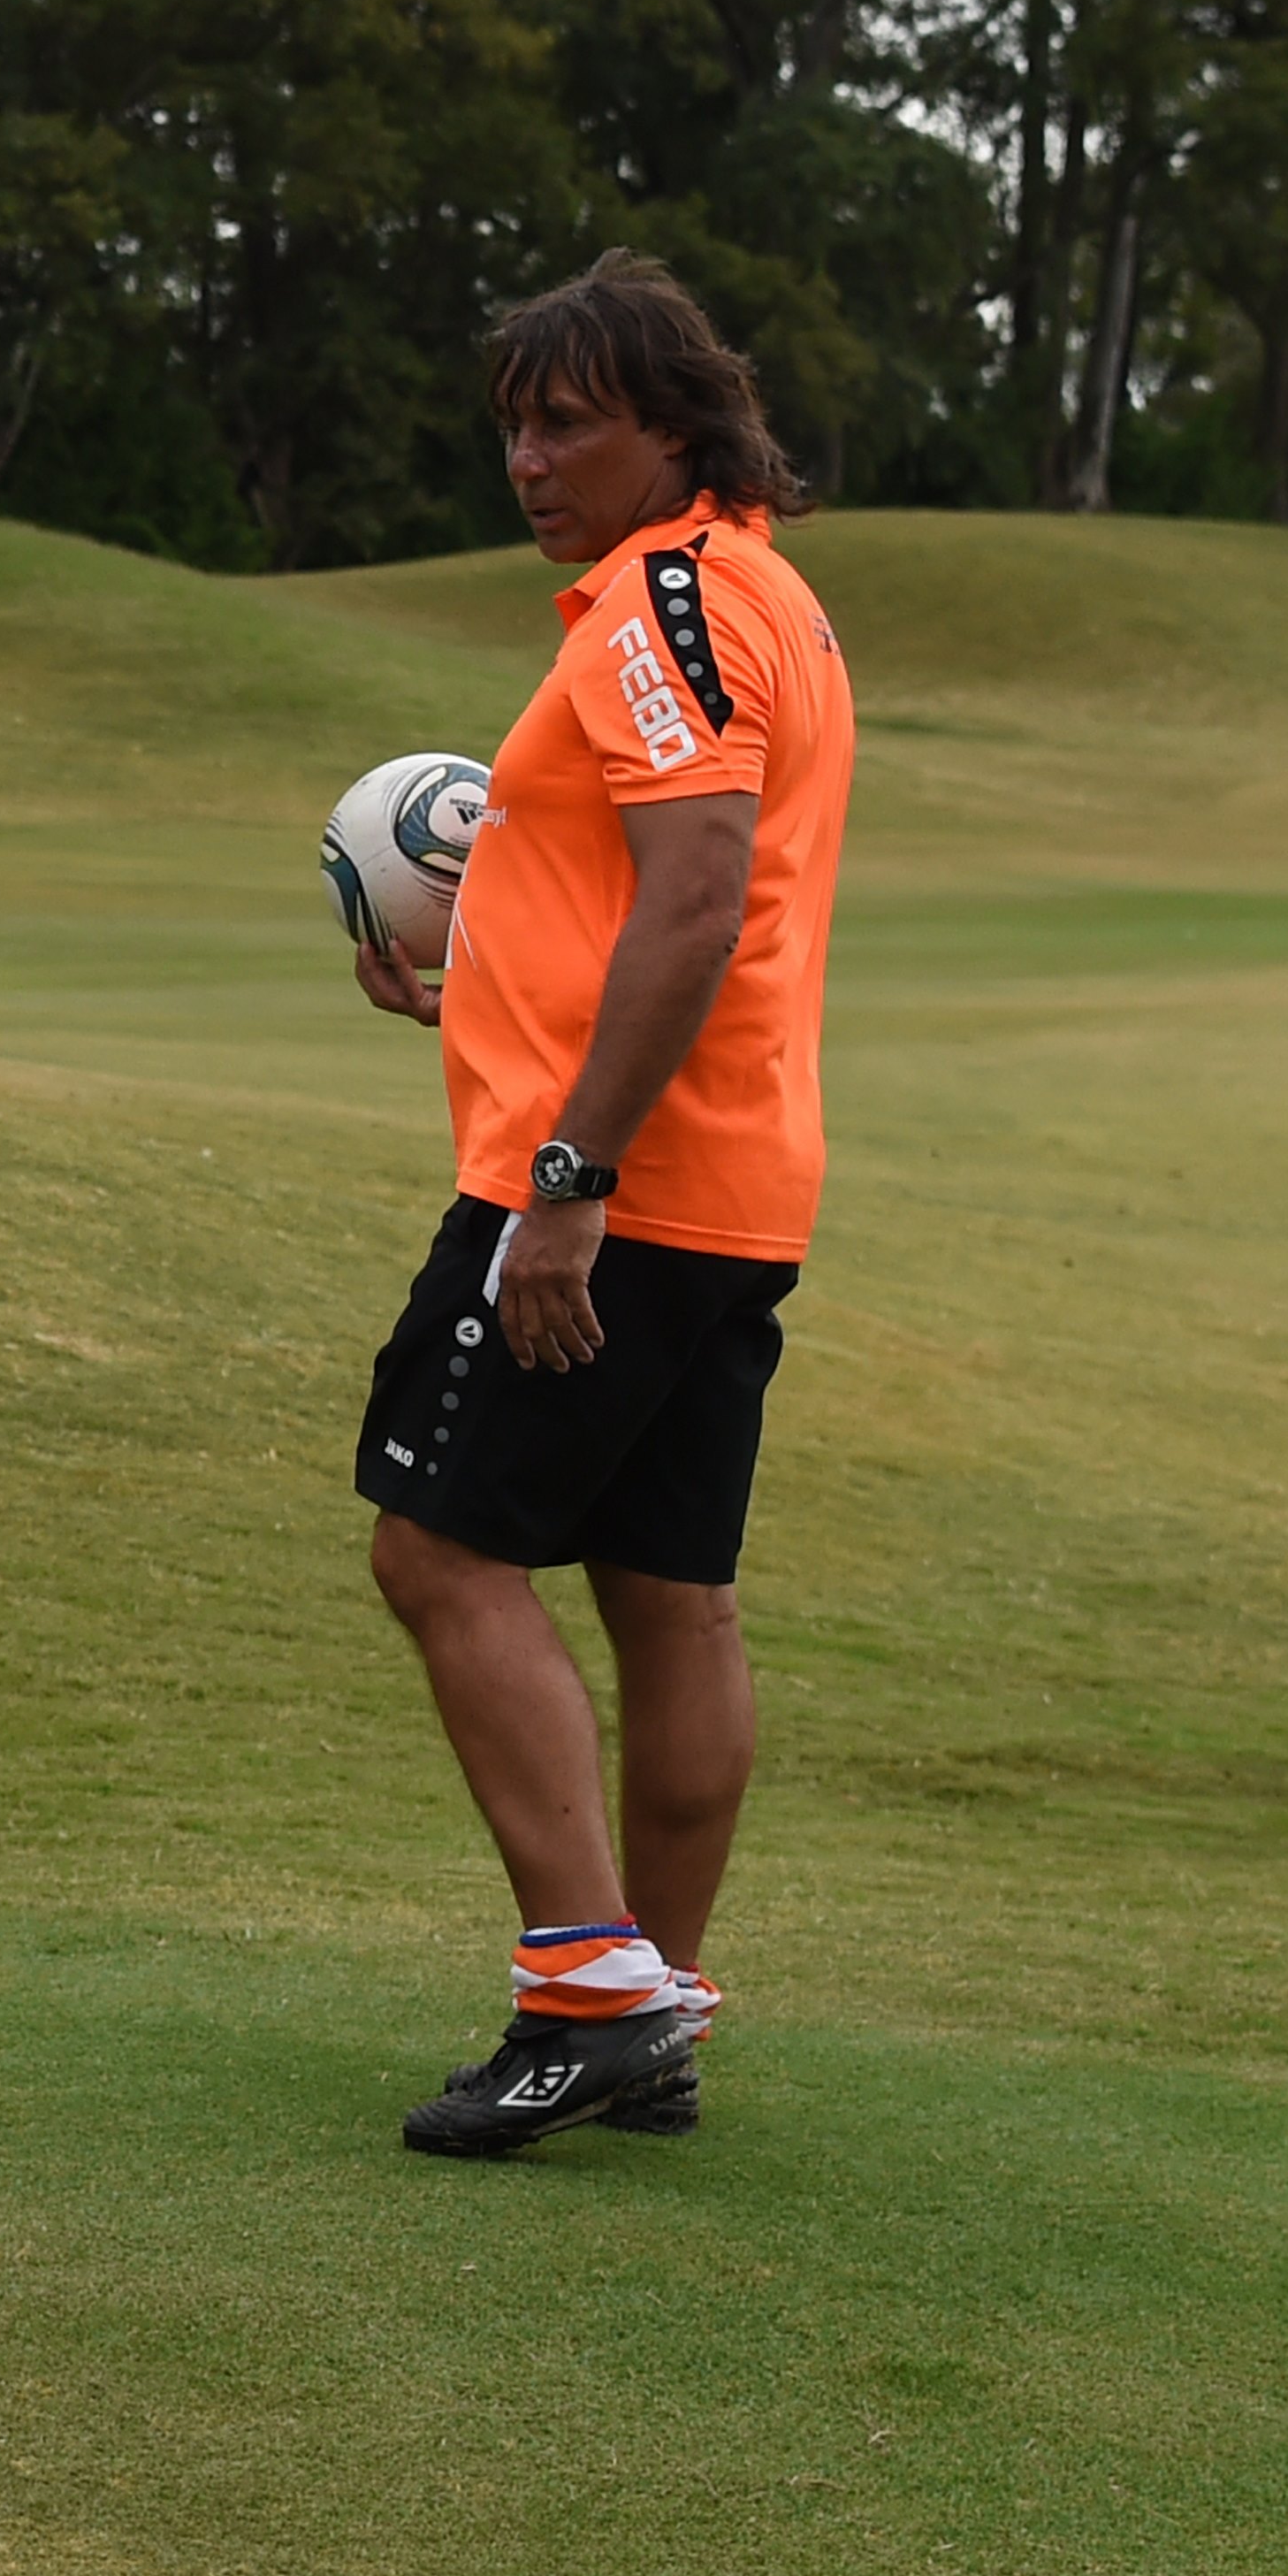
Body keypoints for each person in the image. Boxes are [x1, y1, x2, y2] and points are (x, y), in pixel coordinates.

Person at [347, 253, 856, 2156]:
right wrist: (470, 963)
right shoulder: (768, 597)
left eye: (567, 418)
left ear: (675, 423)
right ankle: (653, 2011)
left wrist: (561, 1182)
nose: (528, 455)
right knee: (666, 1593)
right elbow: (649, 889)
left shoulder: (657, 597)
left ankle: (587, 1981)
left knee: (434, 1551)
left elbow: (698, 889)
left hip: (606, 1188)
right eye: (511, 421)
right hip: (730, 1178)